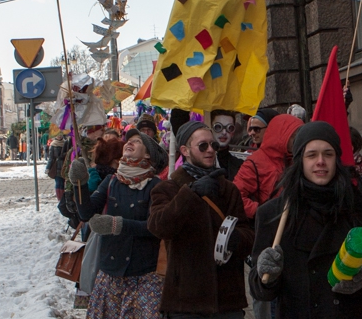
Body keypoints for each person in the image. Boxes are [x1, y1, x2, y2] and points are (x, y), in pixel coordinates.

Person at [249, 121, 362, 319]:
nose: (320, 161)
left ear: (337, 159)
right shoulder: (273, 214)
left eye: (328, 154)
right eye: (311, 155)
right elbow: (259, 289)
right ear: (300, 160)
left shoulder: (361, 208)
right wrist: (266, 275)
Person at [148, 120, 255, 318]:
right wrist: (190, 194)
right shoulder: (167, 189)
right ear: (185, 150)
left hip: (226, 300)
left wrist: (236, 239)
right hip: (185, 301)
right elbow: (159, 226)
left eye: (213, 145)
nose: (210, 150)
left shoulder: (228, 189)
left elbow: (248, 235)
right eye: (202, 146)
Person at [69, 132, 167, 319]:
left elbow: (155, 227)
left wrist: (118, 225)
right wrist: (79, 184)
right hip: (110, 273)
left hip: (144, 275)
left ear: (148, 154)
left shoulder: (156, 186)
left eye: (137, 142)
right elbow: (87, 213)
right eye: (129, 141)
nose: (129, 143)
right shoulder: (111, 181)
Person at [234, 114, 303, 220]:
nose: (297, 140)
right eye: (292, 136)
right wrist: (262, 212)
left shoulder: (296, 160)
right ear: (280, 135)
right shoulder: (255, 162)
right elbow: (236, 196)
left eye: (298, 135)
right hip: (272, 223)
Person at [210, 109, 244, 180]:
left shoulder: (240, 165)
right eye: (218, 127)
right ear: (211, 129)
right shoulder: (200, 162)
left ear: (233, 132)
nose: (224, 132)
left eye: (230, 128)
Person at [45, 136, 68, 201]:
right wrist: (48, 167)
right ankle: (59, 198)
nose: (59, 136)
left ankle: (63, 198)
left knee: (63, 182)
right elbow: (51, 158)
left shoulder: (65, 143)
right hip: (57, 166)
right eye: (58, 135)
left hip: (64, 165)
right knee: (58, 182)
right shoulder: (53, 144)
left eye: (60, 135)